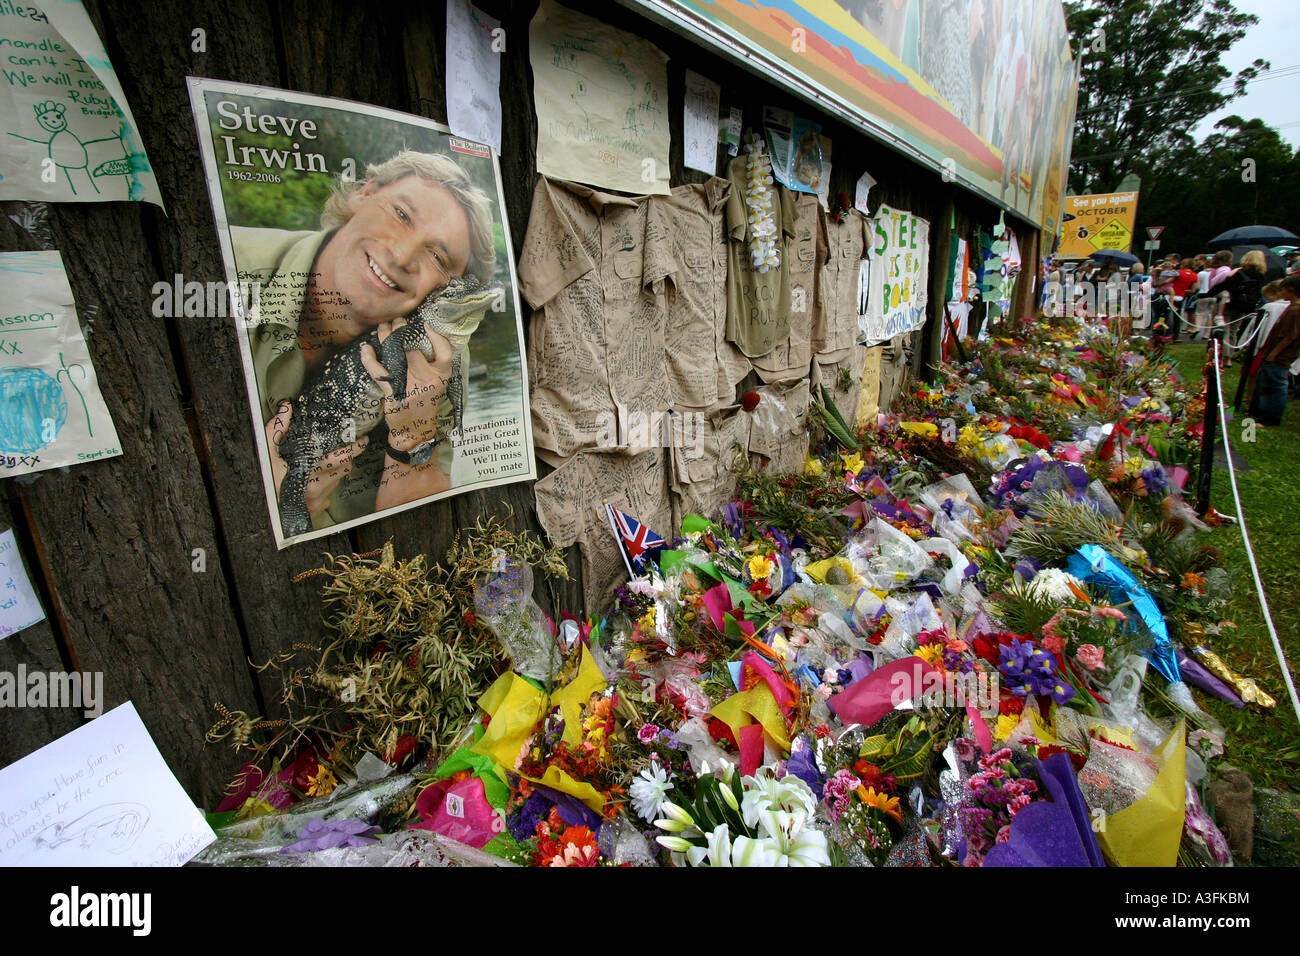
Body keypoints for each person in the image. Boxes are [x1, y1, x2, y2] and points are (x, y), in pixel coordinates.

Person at [232, 149, 498, 533]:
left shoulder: (438, 355)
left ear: (447, 288)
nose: (401, 255)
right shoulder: (219, 275)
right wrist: (257, 497)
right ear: (366, 193)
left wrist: (414, 439)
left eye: (438, 257)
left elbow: (417, 531)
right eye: (402, 215)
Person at [1253, 273, 1300, 426]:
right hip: (1277, 354)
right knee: (1269, 382)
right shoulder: (1292, 308)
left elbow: (1289, 336)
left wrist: (1273, 354)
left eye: (1283, 289)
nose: (1281, 293)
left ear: (1291, 289)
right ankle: (1262, 412)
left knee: (1275, 385)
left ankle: (1270, 418)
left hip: (1279, 356)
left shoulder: (1295, 311)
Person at [1217, 250, 1267, 359]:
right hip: (1245, 306)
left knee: (1226, 328)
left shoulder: (1238, 272)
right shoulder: (1260, 276)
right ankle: (1230, 355)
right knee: (1234, 330)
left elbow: (1226, 286)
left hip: (1231, 303)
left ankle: (1225, 354)